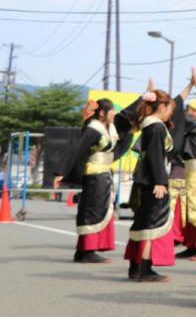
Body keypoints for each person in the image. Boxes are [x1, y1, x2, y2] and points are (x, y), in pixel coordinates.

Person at [54, 97, 138, 263]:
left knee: (100, 208)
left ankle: (85, 250)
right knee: (93, 210)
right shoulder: (93, 130)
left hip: (103, 173)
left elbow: (125, 118)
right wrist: (61, 172)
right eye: (111, 109)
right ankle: (86, 251)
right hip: (94, 173)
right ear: (102, 113)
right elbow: (76, 150)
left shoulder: (109, 128)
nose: (114, 112)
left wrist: (145, 97)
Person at [124, 89, 177, 282]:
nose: (171, 112)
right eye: (170, 108)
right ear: (161, 106)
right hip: (152, 181)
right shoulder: (156, 127)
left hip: (144, 179)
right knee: (150, 225)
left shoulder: (149, 125)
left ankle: (136, 267)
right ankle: (143, 269)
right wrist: (161, 182)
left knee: (142, 222)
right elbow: (156, 156)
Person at [174, 96, 196, 260]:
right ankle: (192, 245)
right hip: (190, 169)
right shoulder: (195, 126)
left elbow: (179, 115)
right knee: (189, 207)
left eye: (190, 109)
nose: (188, 112)